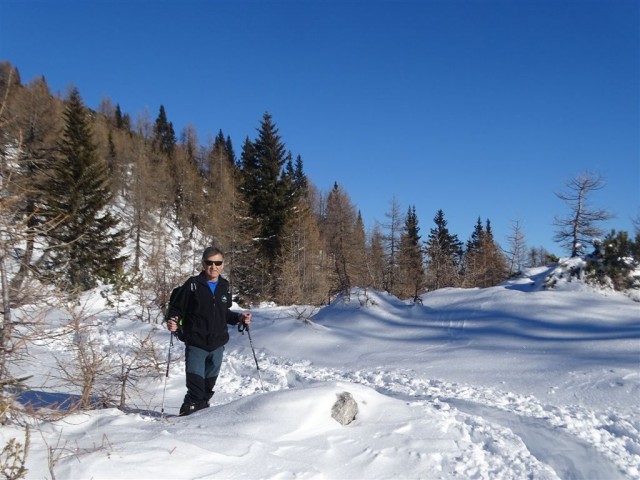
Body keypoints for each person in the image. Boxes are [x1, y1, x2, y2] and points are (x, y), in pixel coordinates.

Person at [167, 247, 252, 416]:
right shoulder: (192, 284)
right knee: (196, 390)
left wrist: (239, 318)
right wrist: (173, 321)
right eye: (209, 263)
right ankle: (185, 418)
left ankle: (202, 421)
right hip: (196, 343)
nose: (213, 266)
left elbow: (223, 313)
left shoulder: (224, 285)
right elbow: (176, 308)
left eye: (217, 263)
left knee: (207, 390)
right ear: (203, 263)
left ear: (223, 264)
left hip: (217, 345)